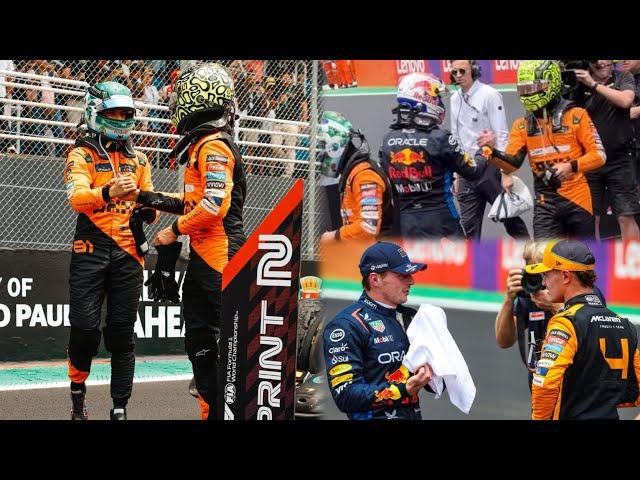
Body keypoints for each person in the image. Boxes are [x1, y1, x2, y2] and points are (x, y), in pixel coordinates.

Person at [131, 63, 247, 420]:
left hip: (221, 257)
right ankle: (209, 410)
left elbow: (214, 205)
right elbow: (195, 203)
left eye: (182, 97)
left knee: (223, 344)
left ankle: (227, 410)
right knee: (198, 341)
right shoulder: (202, 145)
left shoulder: (214, 147)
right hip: (204, 257)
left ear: (198, 99)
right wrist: (147, 197)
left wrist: (173, 230)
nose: (175, 104)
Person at [64, 81, 155, 420]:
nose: (120, 118)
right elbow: (76, 199)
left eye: (125, 113)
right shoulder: (80, 154)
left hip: (130, 254)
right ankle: (77, 395)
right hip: (90, 249)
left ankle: (120, 409)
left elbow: (151, 204)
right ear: (95, 112)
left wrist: (145, 205)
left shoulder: (141, 159)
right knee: (85, 329)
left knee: (122, 334)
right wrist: (108, 191)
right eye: (113, 112)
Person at [483, 60, 606, 239]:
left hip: (578, 200)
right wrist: (492, 152)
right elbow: (511, 164)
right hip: (544, 203)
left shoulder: (577, 115)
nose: (530, 93)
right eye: (524, 89)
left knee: (583, 258)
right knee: (543, 260)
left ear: (552, 83)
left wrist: (571, 166)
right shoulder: (522, 125)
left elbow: (599, 155)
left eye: (535, 87)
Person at [526, 239, 640, 419]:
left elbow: (545, 383)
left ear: (565, 276)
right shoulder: (624, 324)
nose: (544, 282)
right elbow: (636, 391)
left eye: (546, 274)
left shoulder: (565, 323)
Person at [322, 241, 434, 420]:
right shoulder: (346, 325)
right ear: (375, 279)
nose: (411, 280)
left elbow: (434, 384)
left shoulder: (412, 318)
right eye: (402, 275)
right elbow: (346, 396)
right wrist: (402, 390)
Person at [378, 72, 488, 239]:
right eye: (436, 97)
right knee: (463, 264)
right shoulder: (440, 138)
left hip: (405, 224)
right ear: (424, 99)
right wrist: (486, 150)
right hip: (442, 222)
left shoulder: (387, 140)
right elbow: (473, 171)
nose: (440, 102)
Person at [495, 240, 606, 390]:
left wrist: (556, 306)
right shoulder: (529, 296)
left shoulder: (586, 292)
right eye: (534, 273)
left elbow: (593, 338)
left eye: (545, 273)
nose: (542, 281)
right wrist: (508, 299)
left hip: (576, 392)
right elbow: (504, 341)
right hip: (543, 392)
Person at [449, 60, 529, 240]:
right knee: (469, 232)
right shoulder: (455, 99)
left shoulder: (490, 95)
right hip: (467, 170)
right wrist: (455, 175)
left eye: (462, 71)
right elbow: (456, 136)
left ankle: (533, 261)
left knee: (512, 221)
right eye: (454, 72)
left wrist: (505, 172)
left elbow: (501, 134)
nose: (458, 76)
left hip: (490, 168)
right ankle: (474, 267)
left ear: (474, 70)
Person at [571, 60, 640, 240]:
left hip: (620, 159)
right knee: (589, 219)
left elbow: (626, 100)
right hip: (589, 160)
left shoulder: (623, 77)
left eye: (606, 59)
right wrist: (581, 83)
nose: (602, 63)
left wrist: (593, 85)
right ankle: (591, 265)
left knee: (626, 216)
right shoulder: (576, 85)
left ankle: (633, 264)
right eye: (596, 60)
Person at [318, 111, 393, 243]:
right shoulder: (353, 172)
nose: (320, 154)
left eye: (322, 147)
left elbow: (369, 227)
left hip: (376, 255)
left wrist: (335, 236)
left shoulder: (365, 176)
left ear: (335, 145)